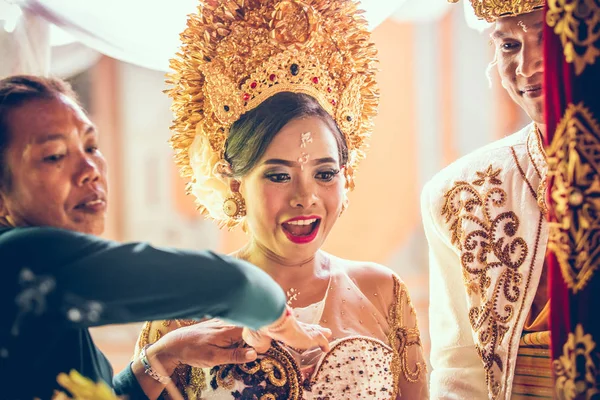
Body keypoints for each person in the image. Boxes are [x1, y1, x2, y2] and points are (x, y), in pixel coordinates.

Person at [133, 0, 428, 399]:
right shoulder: (187, 306)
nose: (305, 198)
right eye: (278, 176)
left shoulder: (383, 291)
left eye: (324, 174)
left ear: (346, 178)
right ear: (234, 183)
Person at [0, 75, 331, 400]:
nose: (90, 168)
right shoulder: (16, 259)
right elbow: (233, 285)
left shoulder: (45, 301)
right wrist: (279, 320)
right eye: (55, 155)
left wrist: (164, 355)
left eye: (91, 146)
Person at [422, 0, 551, 399]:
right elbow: (459, 371)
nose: (527, 67)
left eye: (548, 39)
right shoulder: (460, 193)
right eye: (509, 45)